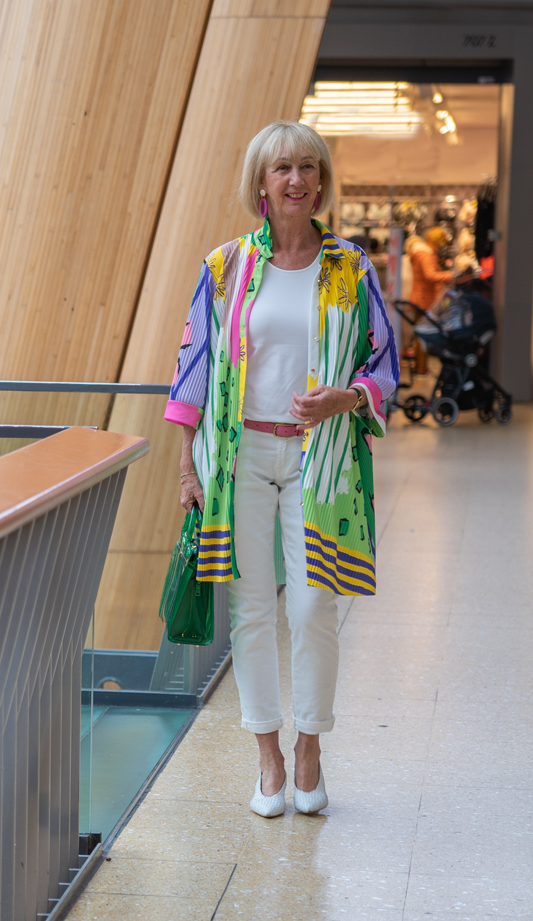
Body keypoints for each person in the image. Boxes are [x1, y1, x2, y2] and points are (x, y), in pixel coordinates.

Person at [164, 121, 399, 817]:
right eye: (280, 169)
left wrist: (347, 396)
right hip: (238, 459)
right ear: (260, 183)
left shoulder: (350, 268)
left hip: (318, 459)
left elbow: (382, 362)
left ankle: (309, 747)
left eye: (305, 167)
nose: (294, 179)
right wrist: (186, 467)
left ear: (320, 180)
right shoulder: (225, 266)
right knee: (251, 609)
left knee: (311, 606)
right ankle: (266, 755)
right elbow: (192, 367)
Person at [409, 226, 453, 373]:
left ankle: (420, 366)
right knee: (423, 335)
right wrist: (449, 275)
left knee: (420, 334)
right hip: (425, 300)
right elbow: (430, 275)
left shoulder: (422, 254)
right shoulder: (425, 255)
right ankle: (421, 367)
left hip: (421, 298)